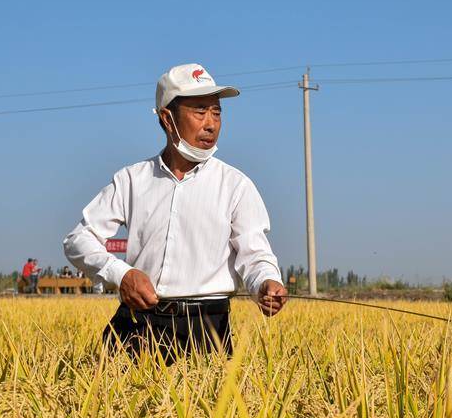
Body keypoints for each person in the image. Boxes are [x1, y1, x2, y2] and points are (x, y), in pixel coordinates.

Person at [64, 63, 288, 363]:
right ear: (167, 119)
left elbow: (255, 254)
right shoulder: (132, 180)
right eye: (199, 111)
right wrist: (121, 274)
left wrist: (267, 282)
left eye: (217, 112)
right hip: (136, 326)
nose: (211, 124)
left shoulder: (236, 185)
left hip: (206, 333)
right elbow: (79, 240)